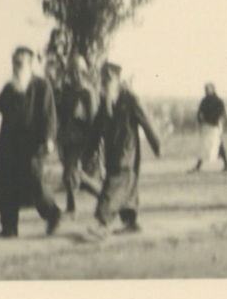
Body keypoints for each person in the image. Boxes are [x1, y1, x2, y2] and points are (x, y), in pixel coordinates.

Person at [0, 46, 62, 237]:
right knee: (5, 186)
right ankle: (8, 229)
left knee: (34, 183)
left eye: (20, 63)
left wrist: (49, 139)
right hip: (8, 146)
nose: (16, 67)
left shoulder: (41, 86)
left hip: (32, 147)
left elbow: (49, 115)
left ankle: (53, 214)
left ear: (30, 64)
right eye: (14, 62)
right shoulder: (10, 88)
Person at [84, 62, 162, 238]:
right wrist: (87, 154)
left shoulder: (130, 99)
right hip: (111, 153)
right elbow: (96, 130)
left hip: (127, 153)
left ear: (118, 80)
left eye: (109, 78)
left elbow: (146, 121)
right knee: (127, 188)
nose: (105, 82)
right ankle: (130, 222)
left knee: (113, 186)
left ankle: (102, 223)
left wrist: (156, 144)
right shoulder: (105, 102)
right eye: (103, 78)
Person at [55, 55, 100, 214]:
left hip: (81, 141)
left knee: (72, 173)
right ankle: (73, 206)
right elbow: (59, 113)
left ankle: (102, 198)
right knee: (72, 176)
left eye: (78, 72)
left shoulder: (88, 93)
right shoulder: (66, 91)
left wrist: (92, 147)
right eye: (72, 72)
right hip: (66, 139)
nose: (75, 76)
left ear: (84, 72)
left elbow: (93, 122)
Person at [192, 83, 227, 173]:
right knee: (207, 146)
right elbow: (200, 112)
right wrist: (201, 120)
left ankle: (199, 166)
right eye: (205, 89)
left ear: (213, 89)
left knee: (213, 145)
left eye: (207, 89)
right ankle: (226, 164)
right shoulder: (204, 101)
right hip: (206, 127)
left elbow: (226, 114)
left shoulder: (218, 101)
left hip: (214, 127)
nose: (206, 90)